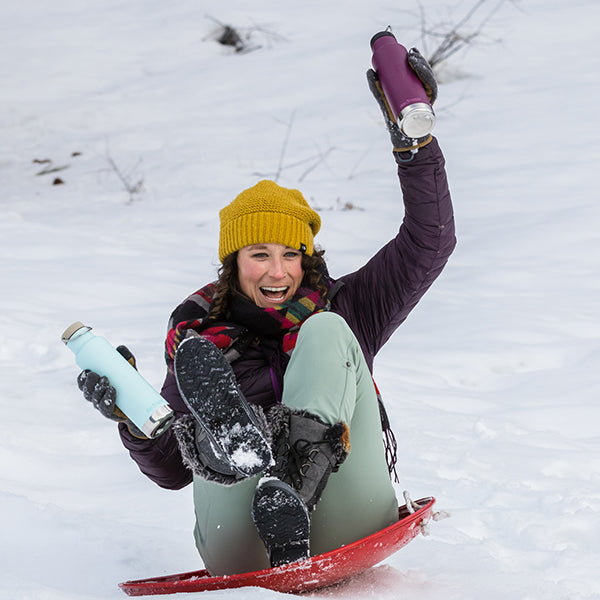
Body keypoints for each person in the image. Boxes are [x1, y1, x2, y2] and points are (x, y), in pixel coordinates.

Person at [76, 49, 456, 576]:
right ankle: (230, 442)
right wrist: (134, 422)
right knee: (206, 413)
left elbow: (428, 243)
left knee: (328, 331)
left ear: (307, 258)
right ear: (234, 264)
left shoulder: (348, 306)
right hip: (240, 541)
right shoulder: (199, 338)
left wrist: (417, 147)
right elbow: (169, 473)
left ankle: (292, 491)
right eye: (260, 256)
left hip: (349, 516)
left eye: (290, 255)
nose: (278, 273)